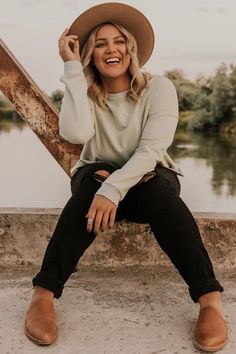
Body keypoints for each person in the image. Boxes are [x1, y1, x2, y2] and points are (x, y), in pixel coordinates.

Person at [24, 2, 228, 351]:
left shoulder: (159, 88)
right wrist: (71, 68)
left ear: (130, 48)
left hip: (150, 176)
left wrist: (114, 187)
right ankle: (43, 295)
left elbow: (150, 151)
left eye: (118, 41)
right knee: (90, 188)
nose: (111, 49)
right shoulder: (83, 91)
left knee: (159, 195)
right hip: (96, 175)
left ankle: (210, 300)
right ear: (91, 54)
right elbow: (75, 133)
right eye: (100, 43)